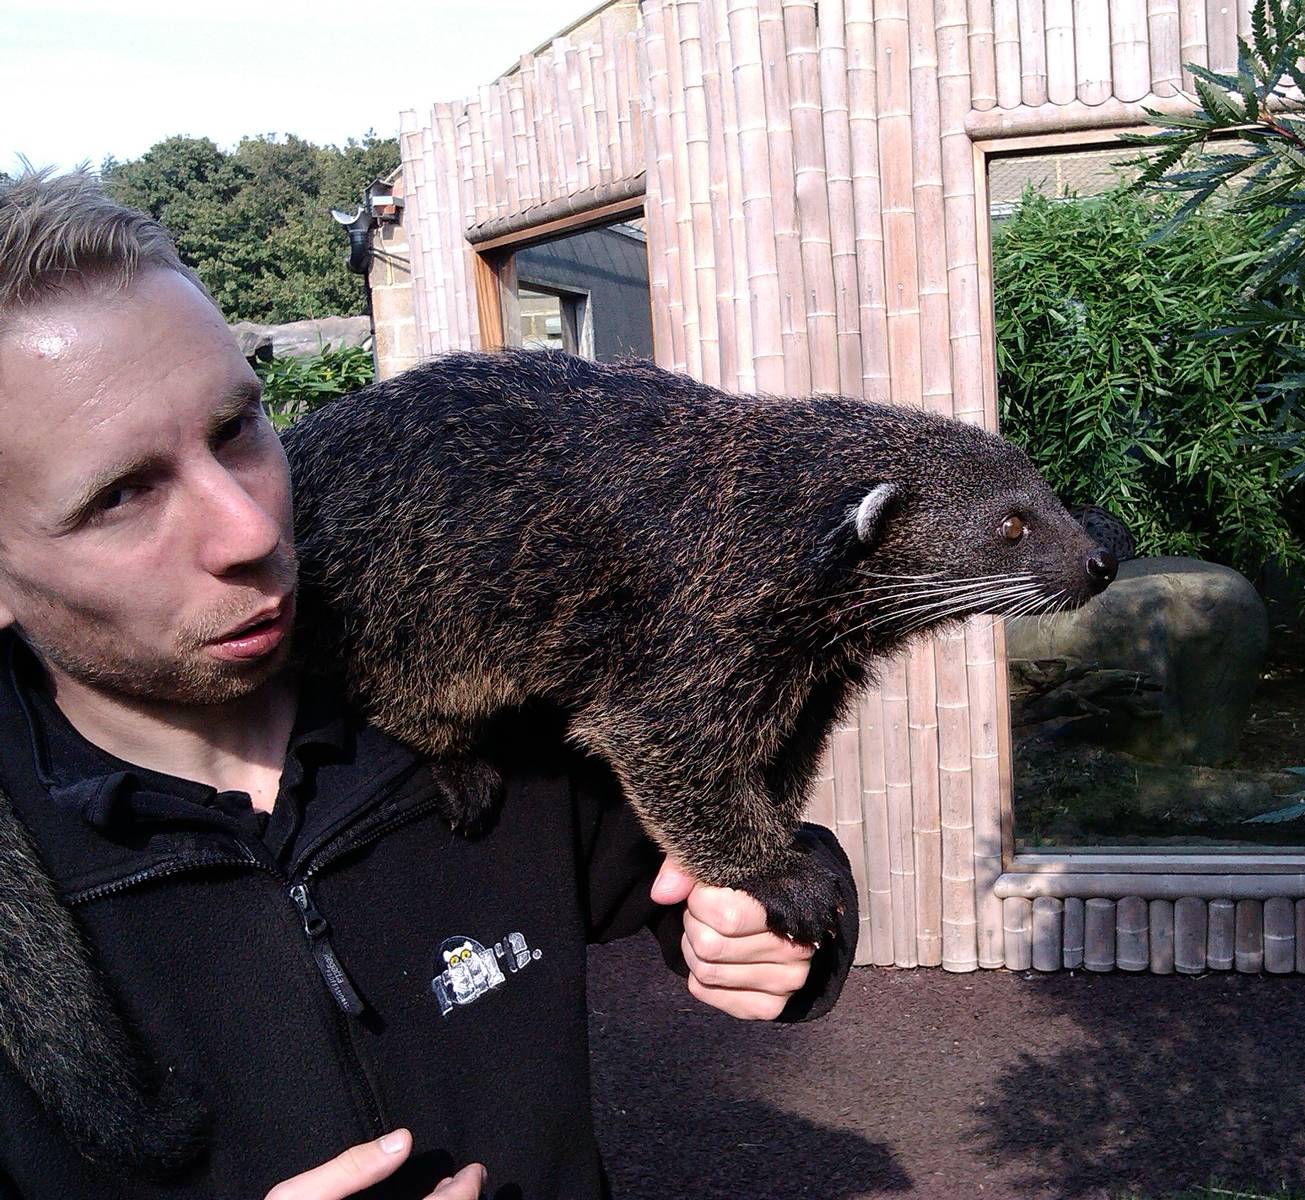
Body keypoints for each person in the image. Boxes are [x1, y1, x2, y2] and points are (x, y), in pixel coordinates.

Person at [0, 169, 858, 1199]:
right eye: (122, 496)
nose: (253, 529)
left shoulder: (482, 675)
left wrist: (789, 917)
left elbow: (718, 861)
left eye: (237, 430)